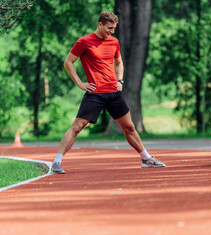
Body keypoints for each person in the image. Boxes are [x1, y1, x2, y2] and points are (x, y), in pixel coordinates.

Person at [51, 11, 165, 174]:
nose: (111, 31)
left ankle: (146, 159)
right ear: (100, 24)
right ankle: (56, 162)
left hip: (113, 93)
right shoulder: (84, 42)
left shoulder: (114, 42)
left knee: (130, 127)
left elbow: (119, 62)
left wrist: (120, 80)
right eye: (109, 28)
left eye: (113, 28)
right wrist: (80, 83)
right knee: (77, 127)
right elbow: (68, 62)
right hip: (95, 93)